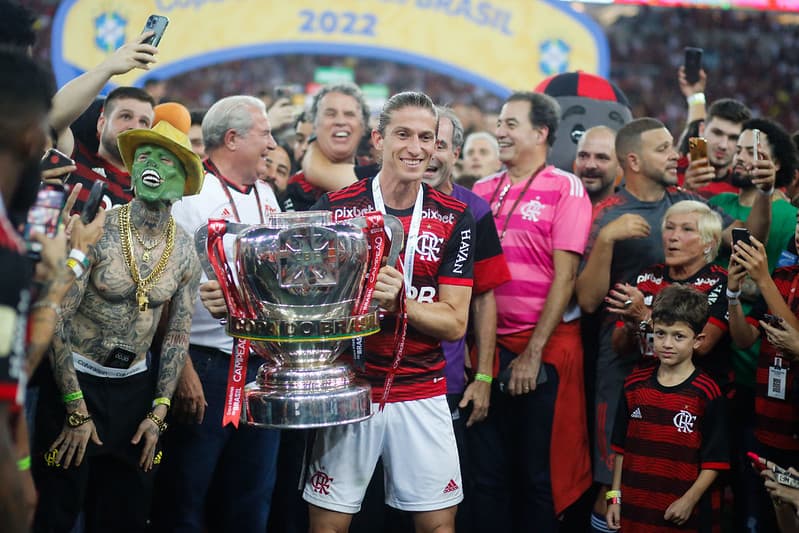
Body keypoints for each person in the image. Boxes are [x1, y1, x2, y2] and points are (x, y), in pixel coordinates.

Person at [575, 117, 774, 531]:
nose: (678, 155)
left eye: (685, 230)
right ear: (633, 159)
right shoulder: (607, 214)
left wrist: (767, 193)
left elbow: (746, 240)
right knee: (615, 481)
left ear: (703, 238)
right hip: (625, 377)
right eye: (664, 148)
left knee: (681, 490)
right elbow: (592, 302)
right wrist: (610, 241)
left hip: (695, 393)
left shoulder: (688, 197)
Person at [303, 92, 475, 533]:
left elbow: (455, 323)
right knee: (328, 526)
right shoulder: (337, 209)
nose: (416, 148)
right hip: (351, 388)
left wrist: (403, 304)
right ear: (378, 139)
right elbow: (312, 306)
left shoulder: (456, 217)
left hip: (421, 389)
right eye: (403, 134)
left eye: (427, 137)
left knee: (438, 526)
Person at [31, 118, 203, 532]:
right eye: (144, 156)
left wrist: (159, 412)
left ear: (181, 183)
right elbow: (57, 317)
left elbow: (178, 334)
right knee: (54, 511)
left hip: (135, 391)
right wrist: (75, 409)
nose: (151, 165)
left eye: (165, 160)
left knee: (124, 515)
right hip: (75, 381)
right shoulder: (99, 231)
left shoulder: (184, 251)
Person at [154, 95, 282, 533]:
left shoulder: (268, 196)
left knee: (250, 499)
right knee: (187, 496)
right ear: (232, 138)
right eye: (264, 133)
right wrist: (182, 368)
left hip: (263, 369)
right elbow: (164, 291)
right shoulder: (190, 196)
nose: (272, 143)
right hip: (206, 365)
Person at [470, 91, 592, 531]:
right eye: (499, 122)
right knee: (488, 475)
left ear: (540, 133)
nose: (499, 131)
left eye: (510, 124)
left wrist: (533, 352)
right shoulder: (481, 189)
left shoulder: (566, 187)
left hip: (543, 352)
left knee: (537, 475)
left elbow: (566, 278)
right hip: (487, 351)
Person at [421, 106, 511, 530]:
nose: (429, 153)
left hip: (447, 382)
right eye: (422, 140)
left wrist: (485, 377)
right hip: (378, 378)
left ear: (455, 151)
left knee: (441, 499)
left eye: (439, 143)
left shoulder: (473, 210)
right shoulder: (375, 200)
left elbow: (484, 300)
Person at [606, 284, 730, 532]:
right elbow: (620, 450)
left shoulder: (707, 393)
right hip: (635, 513)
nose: (667, 344)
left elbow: (715, 462)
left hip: (682, 515)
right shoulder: (633, 385)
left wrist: (689, 500)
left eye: (679, 336)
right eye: (660, 334)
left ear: (698, 340)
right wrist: (614, 499)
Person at [609, 201, 730, 386]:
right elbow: (618, 347)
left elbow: (702, 346)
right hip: (644, 387)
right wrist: (629, 326)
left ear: (709, 243)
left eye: (687, 229)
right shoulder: (646, 277)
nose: (673, 237)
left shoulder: (720, 281)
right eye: (670, 228)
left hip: (697, 391)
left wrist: (643, 316)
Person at [727, 224, 799, 532]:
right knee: (763, 519)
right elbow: (744, 338)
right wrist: (732, 293)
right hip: (767, 421)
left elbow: (795, 337)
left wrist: (763, 279)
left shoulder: (772, 279)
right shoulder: (783, 277)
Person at [284, 83, 370, 211]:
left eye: (349, 114)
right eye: (330, 114)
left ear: (363, 127)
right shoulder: (297, 188)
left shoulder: (377, 172)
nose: (340, 121)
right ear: (314, 126)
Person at [680, 98, 752, 199]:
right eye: (717, 133)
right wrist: (686, 190)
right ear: (702, 130)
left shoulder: (745, 189)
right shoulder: (671, 170)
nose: (723, 145)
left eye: (733, 138)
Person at [574, 126, 620, 205]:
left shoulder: (631, 215)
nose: (590, 165)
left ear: (619, 166)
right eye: (583, 156)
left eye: (601, 158)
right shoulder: (554, 209)